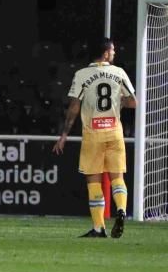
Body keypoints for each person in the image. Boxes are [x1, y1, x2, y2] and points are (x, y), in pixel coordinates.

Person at [52, 39, 136, 238]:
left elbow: (74, 107)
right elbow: (133, 102)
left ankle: (99, 228)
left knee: (94, 181)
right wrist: (119, 103)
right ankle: (122, 210)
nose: (114, 53)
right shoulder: (119, 73)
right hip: (115, 132)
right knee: (117, 177)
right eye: (112, 50)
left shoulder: (82, 75)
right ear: (105, 53)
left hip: (93, 134)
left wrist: (64, 134)